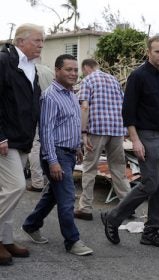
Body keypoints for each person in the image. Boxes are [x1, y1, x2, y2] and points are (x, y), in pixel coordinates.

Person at [101, 35, 159, 248]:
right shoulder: (137, 76)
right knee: (150, 184)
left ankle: (151, 231)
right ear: (148, 52)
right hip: (145, 136)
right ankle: (114, 217)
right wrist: (135, 141)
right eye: (157, 51)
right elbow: (127, 113)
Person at [21, 54, 93, 256]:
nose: (73, 73)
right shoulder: (50, 96)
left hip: (68, 154)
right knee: (67, 198)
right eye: (68, 70)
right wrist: (53, 162)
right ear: (57, 71)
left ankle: (31, 224)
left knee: (54, 194)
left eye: (76, 70)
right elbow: (46, 131)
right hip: (56, 154)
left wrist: (78, 146)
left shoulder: (71, 94)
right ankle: (73, 240)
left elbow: (69, 125)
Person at [0, 23, 44, 266]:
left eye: (42, 41)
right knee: (16, 187)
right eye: (37, 40)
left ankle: (5, 240)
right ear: (20, 41)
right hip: (6, 139)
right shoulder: (4, 61)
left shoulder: (31, 68)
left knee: (10, 194)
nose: (40, 45)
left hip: (23, 139)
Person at [74, 58, 130, 221]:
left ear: (86, 68)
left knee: (89, 168)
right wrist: (125, 129)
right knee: (118, 169)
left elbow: (84, 106)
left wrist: (83, 132)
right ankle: (127, 205)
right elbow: (124, 104)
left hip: (96, 130)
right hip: (117, 130)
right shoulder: (114, 80)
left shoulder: (88, 80)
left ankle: (85, 208)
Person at [27, 64, 54, 192]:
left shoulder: (30, 70)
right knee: (49, 144)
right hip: (51, 110)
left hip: (36, 111)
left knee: (35, 146)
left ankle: (37, 182)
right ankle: (51, 178)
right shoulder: (48, 70)